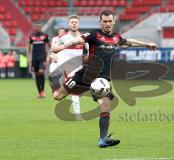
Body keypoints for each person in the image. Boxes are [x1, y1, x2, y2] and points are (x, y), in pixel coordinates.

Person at [51, 10, 157, 148]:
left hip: (102, 79)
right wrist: (61, 47)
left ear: (113, 21)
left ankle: (103, 139)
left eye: (109, 21)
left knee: (105, 104)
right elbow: (77, 40)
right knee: (57, 96)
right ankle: (71, 84)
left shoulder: (116, 38)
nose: (107, 23)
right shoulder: (94, 34)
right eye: (104, 21)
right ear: (100, 22)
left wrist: (146, 44)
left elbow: (129, 42)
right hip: (85, 74)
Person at [49, 17, 88, 116]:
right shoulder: (62, 37)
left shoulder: (83, 37)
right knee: (58, 96)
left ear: (78, 24)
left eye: (76, 22)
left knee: (72, 92)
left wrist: (87, 57)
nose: (74, 24)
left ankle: (78, 115)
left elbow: (89, 51)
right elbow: (53, 48)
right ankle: (68, 91)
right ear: (69, 25)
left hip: (79, 69)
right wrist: (55, 53)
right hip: (67, 69)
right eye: (72, 22)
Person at [27, 23, 51, 98]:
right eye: (37, 26)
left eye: (39, 27)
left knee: (41, 72)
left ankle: (43, 90)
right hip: (34, 58)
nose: (38, 28)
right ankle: (40, 92)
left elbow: (49, 46)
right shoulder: (32, 36)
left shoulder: (45, 35)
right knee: (37, 75)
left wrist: (49, 55)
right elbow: (29, 47)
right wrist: (28, 58)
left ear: (41, 27)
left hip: (42, 57)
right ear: (35, 27)